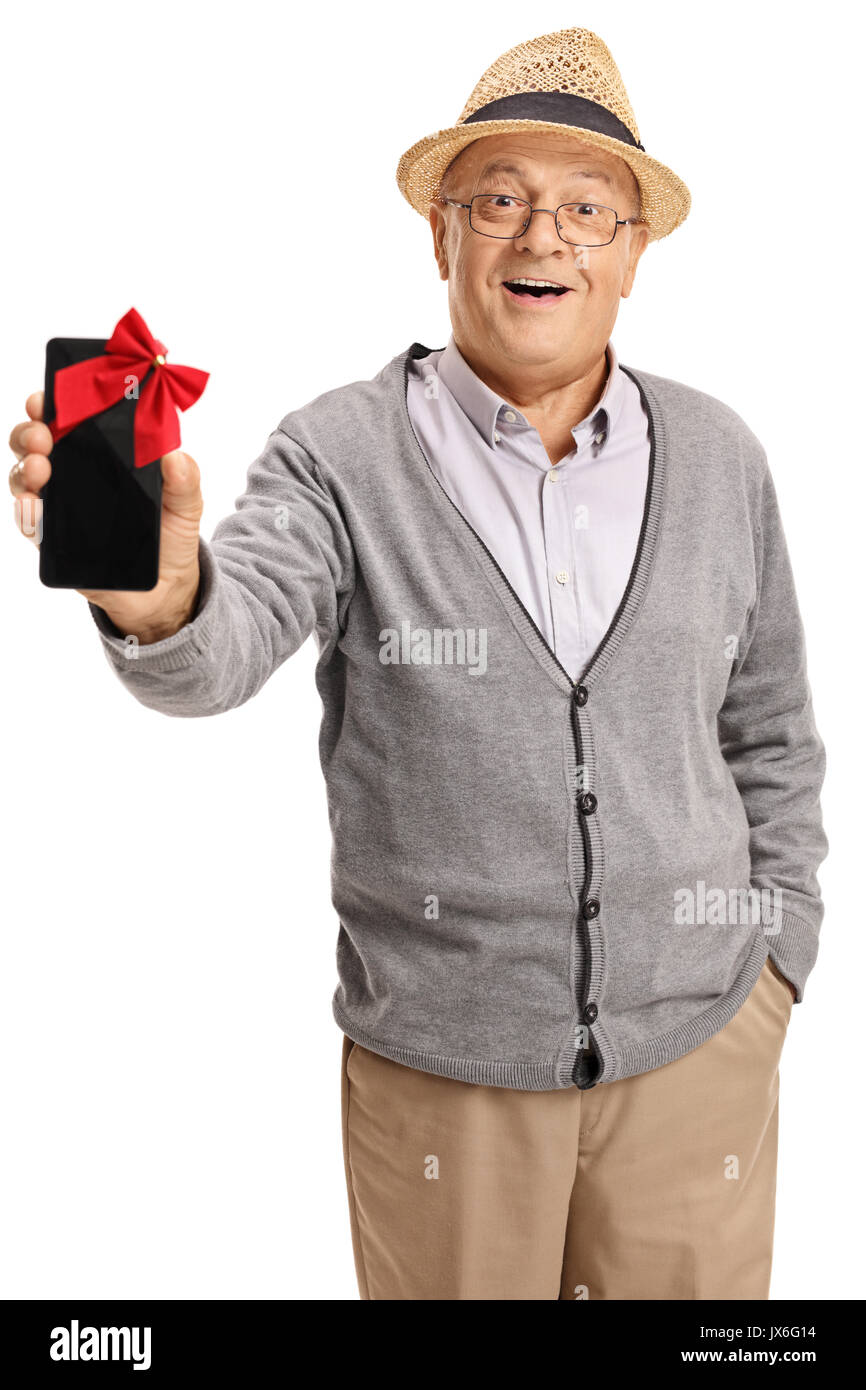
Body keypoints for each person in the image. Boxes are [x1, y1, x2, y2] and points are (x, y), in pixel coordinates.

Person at [9, 27, 827, 1300]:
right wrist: (160, 600)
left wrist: (775, 961)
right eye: (497, 200)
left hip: (700, 1048)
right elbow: (221, 652)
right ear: (438, 236)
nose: (540, 237)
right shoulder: (338, 454)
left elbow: (769, 726)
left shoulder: (721, 457)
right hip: (444, 1075)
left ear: (631, 253)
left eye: (583, 208)